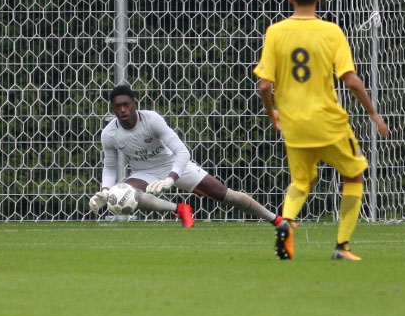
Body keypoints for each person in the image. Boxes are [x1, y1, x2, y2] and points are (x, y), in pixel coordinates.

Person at [254, 0, 389, 262]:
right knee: (353, 173)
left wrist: (273, 114)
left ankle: (286, 223)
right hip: (328, 123)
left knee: (302, 181)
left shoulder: (275, 32)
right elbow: (351, 80)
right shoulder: (331, 31)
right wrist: (374, 115)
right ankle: (342, 246)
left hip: (293, 123)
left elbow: (264, 85)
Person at [89, 85, 284, 230]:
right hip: (143, 172)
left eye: (126, 105)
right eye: (118, 107)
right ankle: (179, 209)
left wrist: (171, 178)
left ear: (134, 104)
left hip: (174, 165)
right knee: (126, 194)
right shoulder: (109, 134)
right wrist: (105, 192)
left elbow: (182, 152)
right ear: (113, 109)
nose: (123, 110)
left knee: (226, 195)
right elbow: (110, 167)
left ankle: (275, 219)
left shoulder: (151, 120)